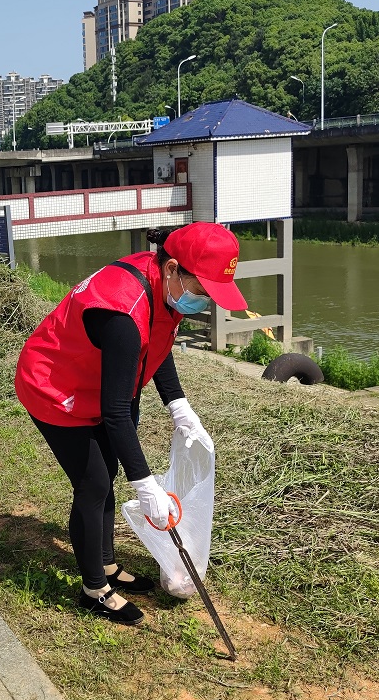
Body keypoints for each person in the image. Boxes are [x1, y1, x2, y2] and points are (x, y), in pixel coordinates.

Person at [14, 222, 248, 626]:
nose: (205, 299)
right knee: (95, 483)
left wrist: (178, 403)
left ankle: (104, 564)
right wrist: (146, 485)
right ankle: (94, 591)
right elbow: (117, 412)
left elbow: (156, 340)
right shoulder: (124, 309)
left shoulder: (162, 285)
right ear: (174, 268)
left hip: (96, 381)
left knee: (108, 470)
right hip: (55, 387)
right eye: (202, 289)